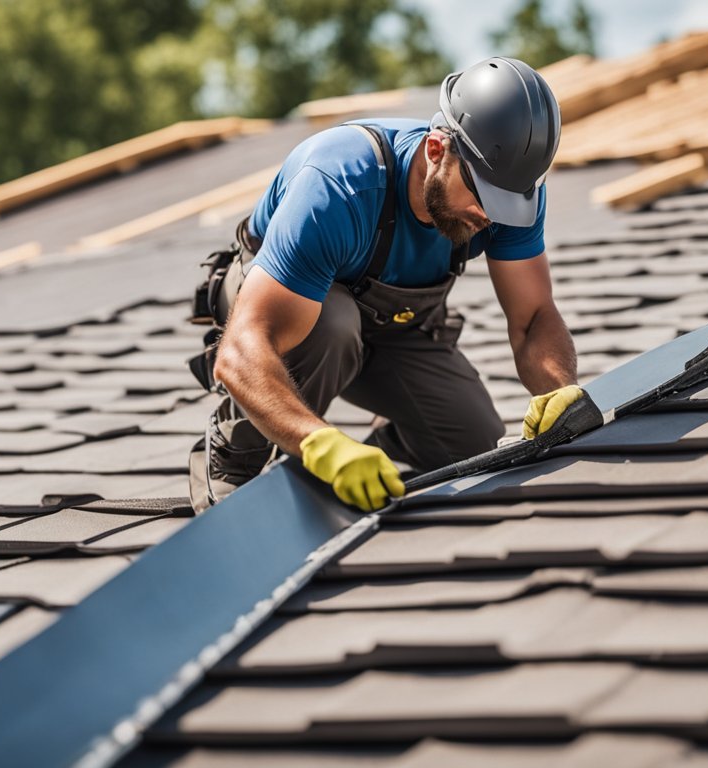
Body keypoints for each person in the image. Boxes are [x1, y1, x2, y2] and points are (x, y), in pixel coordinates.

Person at [189, 56, 584, 513]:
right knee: (335, 323)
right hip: (289, 312)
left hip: (394, 323)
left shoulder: (509, 190)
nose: (490, 218)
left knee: (472, 439)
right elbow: (241, 349)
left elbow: (534, 316)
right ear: (437, 150)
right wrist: (322, 445)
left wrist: (558, 391)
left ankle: (381, 451)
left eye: (506, 205)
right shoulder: (339, 185)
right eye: (482, 199)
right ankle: (240, 457)